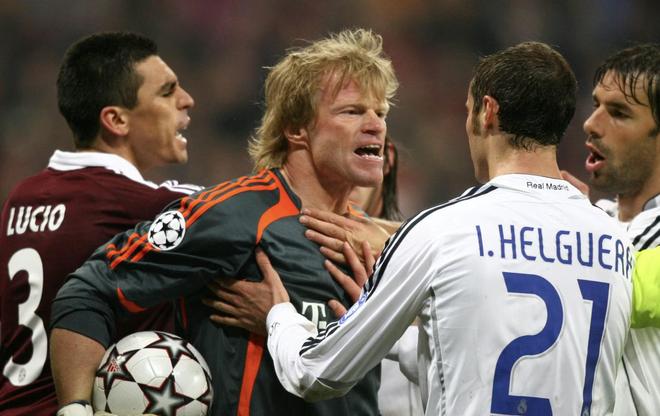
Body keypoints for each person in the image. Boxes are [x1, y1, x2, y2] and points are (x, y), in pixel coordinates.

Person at [240, 41, 634, 415]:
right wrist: (391, 333)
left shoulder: (444, 231)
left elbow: (316, 373)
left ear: (487, 112)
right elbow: (508, 362)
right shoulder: (616, 241)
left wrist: (279, 317)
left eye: (467, 111)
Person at [50, 28, 398, 416]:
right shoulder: (235, 214)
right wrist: (75, 406)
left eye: (381, 112)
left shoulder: (375, 240)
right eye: (353, 111)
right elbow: (89, 289)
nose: (376, 125)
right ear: (296, 128)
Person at [0, 32, 198, 415]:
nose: (186, 100)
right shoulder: (150, 206)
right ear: (116, 120)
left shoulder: (19, 199)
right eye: (167, 91)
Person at [561, 43, 660, 416]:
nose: (591, 123)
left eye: (618, 113)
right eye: (596, 105)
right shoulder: (599, 218)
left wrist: (566, 231)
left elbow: (612, 286)